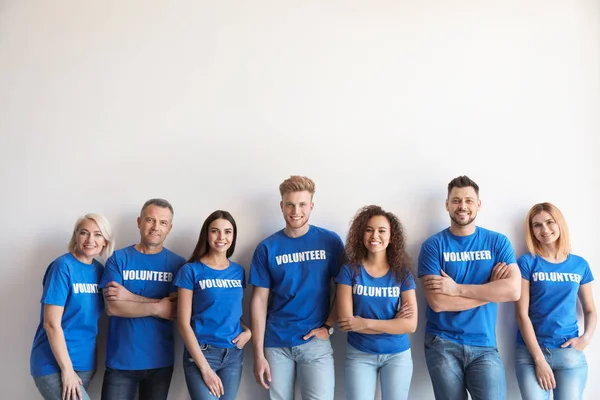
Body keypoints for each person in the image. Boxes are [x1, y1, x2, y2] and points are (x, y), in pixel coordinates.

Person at [418, 175, 521, 400]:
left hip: (484, 344)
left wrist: (456, 289)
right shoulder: (433, 246)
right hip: (442, 342)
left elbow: (513, 291)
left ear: (478, 205)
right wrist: (492, 290)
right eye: (455, 200)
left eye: (468, 200)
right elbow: (438, 303)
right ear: (447, 205)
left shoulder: (497, 242)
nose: (462, 206)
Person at [249, 175, 345, 400]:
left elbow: (344, 289)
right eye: (290, 204)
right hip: (276, 344)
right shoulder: (267, 248)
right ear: (281, 206)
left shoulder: (330, 242)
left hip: (315, 341)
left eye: (302, 204)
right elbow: (259, 301)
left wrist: (329, 327)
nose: (296, 211)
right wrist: (258, 353)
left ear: (311, 206)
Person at [99, 199, 186, 400]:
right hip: (121, 361)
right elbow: (113, 307)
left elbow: (174, 310)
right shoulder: (118, 259)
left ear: (169, 228)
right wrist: (158, 306)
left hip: (159, 362)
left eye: (163, 222)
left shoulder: (178, 264)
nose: (156, 227)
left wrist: (129, 297)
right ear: (139, 222)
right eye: (150, 220)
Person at [515, 202, 596, 400]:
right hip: (531, 354)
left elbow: (590, 310)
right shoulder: (527, 262)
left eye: (549, 222)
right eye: (537, 225)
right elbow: (521, 314)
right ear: (532, 230)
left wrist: (585, 339)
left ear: (559, 224)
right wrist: (539, 359)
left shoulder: (579, 264)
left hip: (569, 354)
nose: (545, 229)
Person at [336, 205, 417, 400]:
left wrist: (364, 323)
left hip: (397, 355)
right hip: (360, 354)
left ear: (391, 237)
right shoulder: (349, 271)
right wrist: (393, 324)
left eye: (382, 231)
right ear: (361, 234)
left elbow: (410, 324)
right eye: (369, 229)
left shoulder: (402, 273)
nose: (375, 236)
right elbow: (347, 322)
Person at [30, 213, 115, 400]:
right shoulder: (62, 267)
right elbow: (51, 324)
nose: (90, 239)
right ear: (76, 236)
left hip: (85, 363)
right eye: (84, 233)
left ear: (105, 242)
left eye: (98, 234)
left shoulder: (100, 271)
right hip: (53, 364)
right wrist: (67, 370)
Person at [174, 210, 251, 400]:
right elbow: (183, 324)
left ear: (233, 236)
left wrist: (248, 331)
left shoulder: (238, 272)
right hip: (202, 352)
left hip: (233, 354)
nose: (221, 237)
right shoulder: (190, 270)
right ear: (206, 234)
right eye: (215, 231)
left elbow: (229, 312)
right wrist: (205, 369)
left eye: (228, 231)